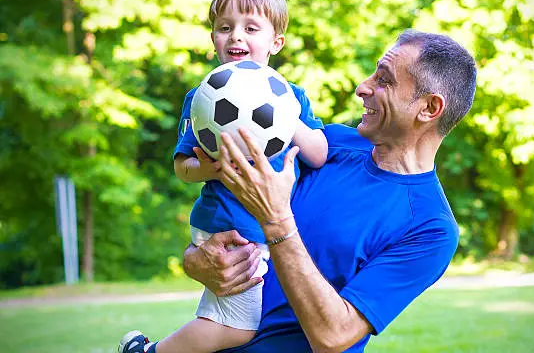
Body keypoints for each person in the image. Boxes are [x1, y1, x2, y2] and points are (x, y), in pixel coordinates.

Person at [182, 29, 477, 352]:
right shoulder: (328, 145)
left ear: (429, 108)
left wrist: (276, 220)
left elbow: (333, 336)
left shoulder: (430, 227)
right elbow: (229, 217)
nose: (362, 88)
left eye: (384, 80)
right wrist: (196, 261)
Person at [118, 0, 327, 353]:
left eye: (250, 28)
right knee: (234, 327)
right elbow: (183, 167)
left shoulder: (290, 96)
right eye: (225, 27)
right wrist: (214, 168)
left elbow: (318, 154)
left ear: (275, 42)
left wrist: (286, 118)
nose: (236, 37)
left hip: (269, 230)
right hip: (229, 229)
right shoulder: (203, 96)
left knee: (238, 318)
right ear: (213, 37)